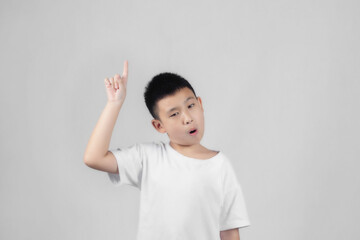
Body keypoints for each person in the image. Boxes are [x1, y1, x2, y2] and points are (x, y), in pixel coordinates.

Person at [83, 60, 251, 240]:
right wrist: (114, 103)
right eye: (174, 114)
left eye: (191, 106)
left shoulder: (220, 166)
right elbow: (94, 157)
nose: (187, 118)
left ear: (200, 104)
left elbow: (229, 231)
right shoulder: (148, 158)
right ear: (159, 126)